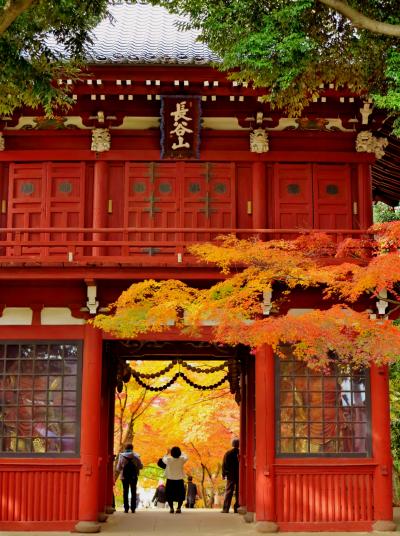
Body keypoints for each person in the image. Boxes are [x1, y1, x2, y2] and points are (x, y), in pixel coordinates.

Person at [115, 443, 143, 513]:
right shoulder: (136, 456)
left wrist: (123, 468)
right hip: (133, 476)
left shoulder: (121, 456)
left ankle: (126, 508)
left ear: (125, 448)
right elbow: (141, 467)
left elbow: (118, 468)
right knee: (133, 491)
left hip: (124, 476)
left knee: (125, 491)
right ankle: (133, 508)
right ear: (132, 448)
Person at [162, 446, 188, 514]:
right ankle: (179, 508)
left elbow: (163, 459)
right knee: (180, 495)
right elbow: (186, 456)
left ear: (171, 453)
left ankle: (171, 508)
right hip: (179, 480)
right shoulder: (182, 459)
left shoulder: (168, 460)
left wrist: (167, 453)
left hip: (170, 480)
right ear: (179, 453)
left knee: (169, 495)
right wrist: (181, 452)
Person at [221, 438, 239, 513]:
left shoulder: (228, 453)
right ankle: (237, 508)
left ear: (232, 444)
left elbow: (224, 464)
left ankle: (226, 508)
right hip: (239, 475)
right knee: (239, 492)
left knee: (229, 491)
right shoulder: (240, 452)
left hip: (230, 474)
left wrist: (223, 474)